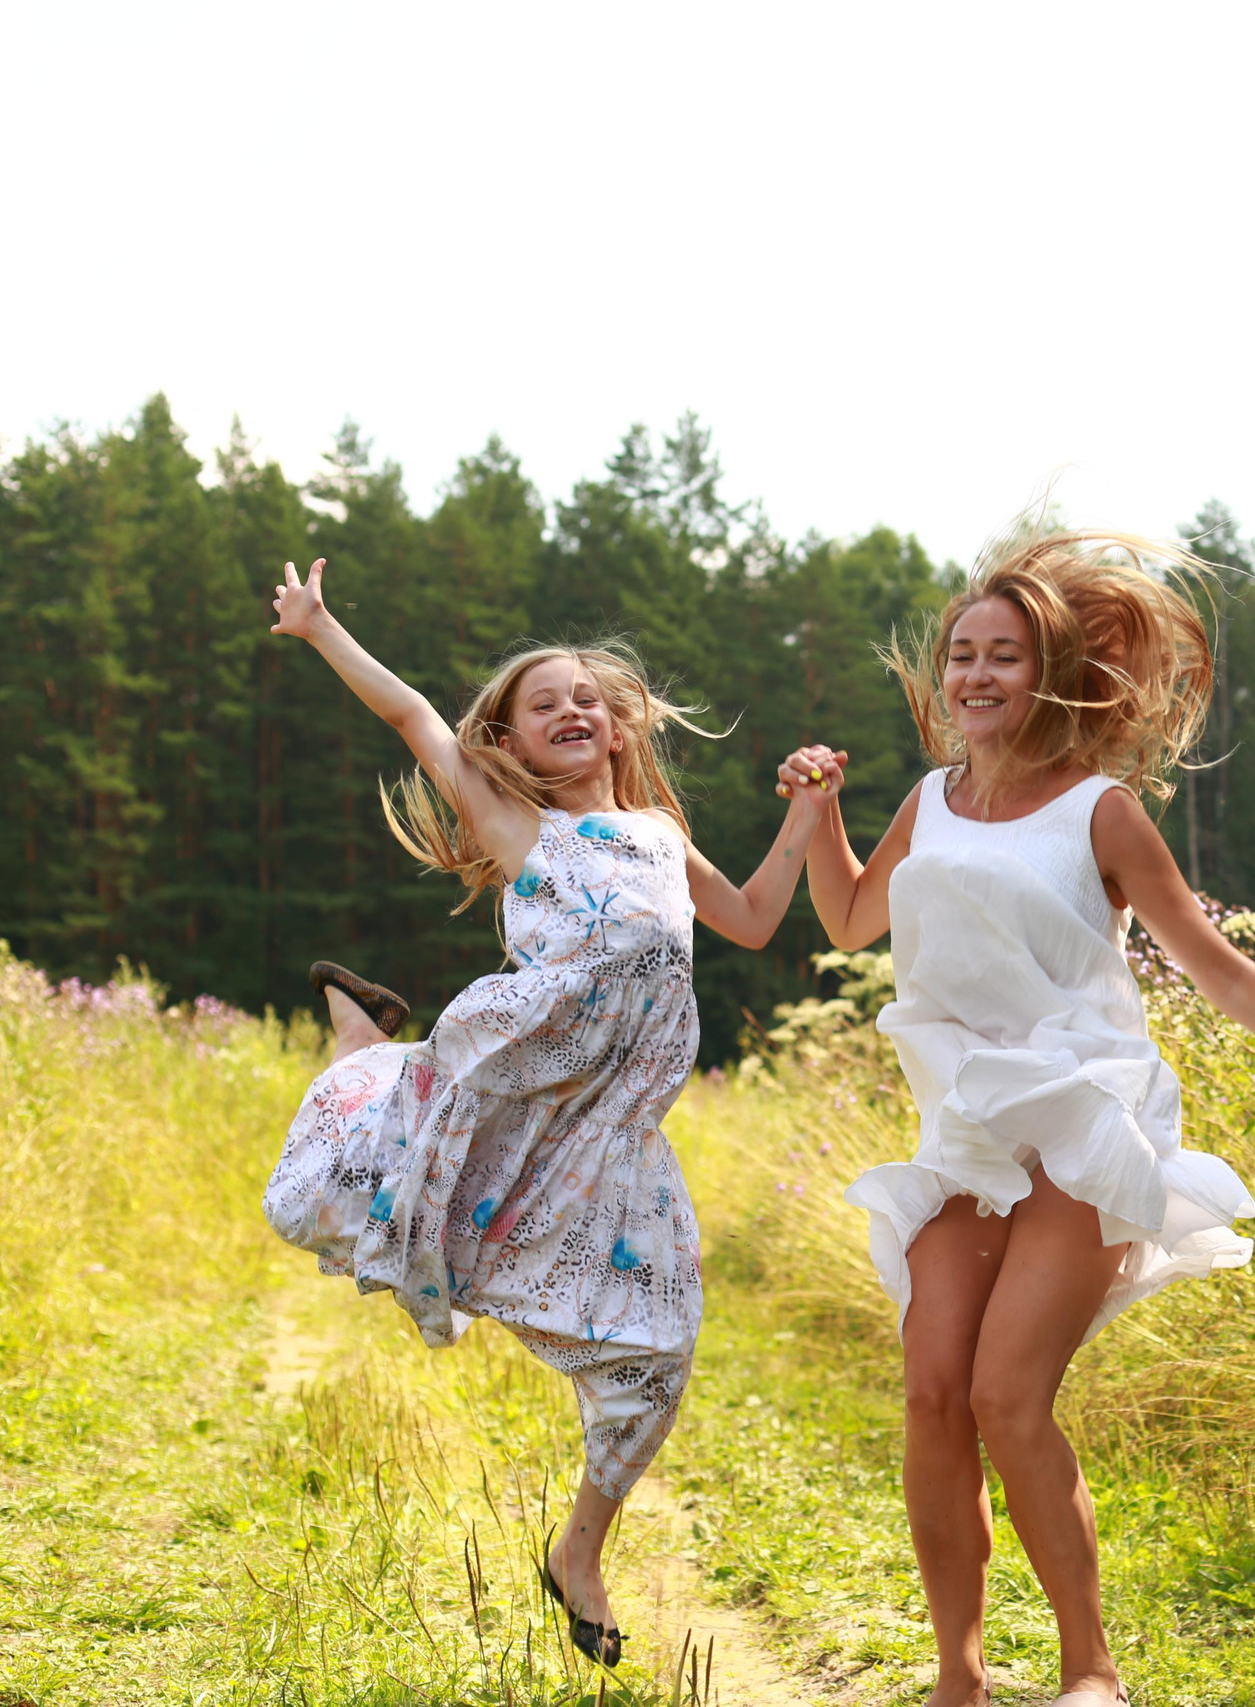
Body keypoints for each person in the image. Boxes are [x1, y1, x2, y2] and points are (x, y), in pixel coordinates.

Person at [783, 533, 1255, 1707]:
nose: (976, 674)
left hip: (1081, 1119)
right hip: (963, 1131)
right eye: (961, 654)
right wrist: (819, 820)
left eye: (1004, 654)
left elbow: (1219, 972)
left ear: (1048, 672)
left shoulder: (1099, 813)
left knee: (1008, 1394)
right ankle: (958, 1677)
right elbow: (853, 917)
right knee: (929, 1389)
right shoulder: (928, 802)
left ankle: (1089, 1672)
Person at [258, 557, 837, 1669]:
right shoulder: (520, 825)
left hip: (611, 1135)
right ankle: (357, 1039)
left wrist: (811, 812)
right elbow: (416, 713)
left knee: (659, 1343)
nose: (571, 709)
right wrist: (323, 627)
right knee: (343, 1194)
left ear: (618, 729)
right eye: (543, 703)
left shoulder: (661, 837)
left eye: (587, 697)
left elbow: (758, 921)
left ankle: (580, 1550)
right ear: (513, 745)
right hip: (505, 1094)